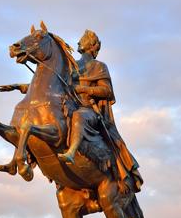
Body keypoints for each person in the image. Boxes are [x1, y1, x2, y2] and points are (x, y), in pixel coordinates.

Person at [58, 29, 143, 194]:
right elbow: (56, 86)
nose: (78, 42)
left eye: (83, 40)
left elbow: (106, 91)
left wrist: (83, 88)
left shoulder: (99, 67)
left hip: (88, 110)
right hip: (68, 105)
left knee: (79, 116)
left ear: (92, 46)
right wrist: (25, 87)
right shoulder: (71, 66)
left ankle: (71, 152)